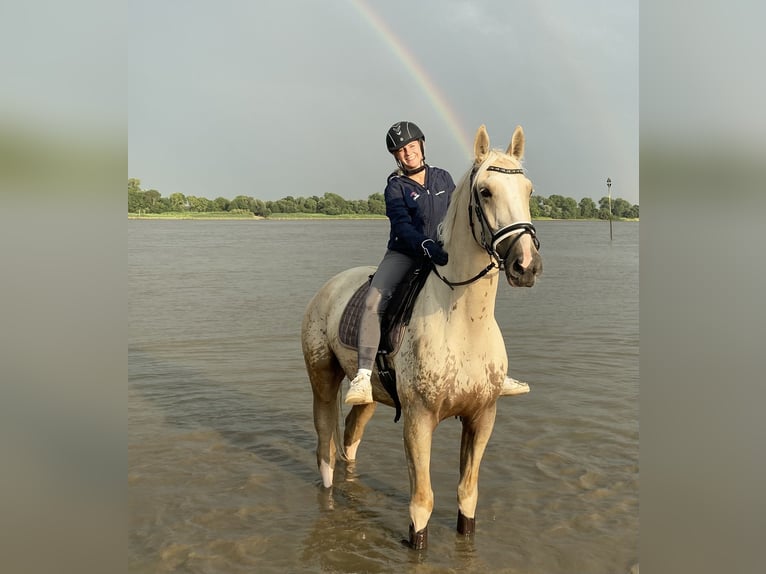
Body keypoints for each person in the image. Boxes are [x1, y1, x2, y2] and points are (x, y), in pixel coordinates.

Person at [344, 121, 530, 405]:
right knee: (373, 301)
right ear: (396, 156)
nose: (408, 153)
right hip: (405, 253)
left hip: (443, 250)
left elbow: (458, 214)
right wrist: (424, 245)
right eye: (401, 150)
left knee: (477, 298)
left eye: (411, 146)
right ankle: (363, 374)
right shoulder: (395, 187)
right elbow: (402, 226)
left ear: (422, 145)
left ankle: (493, 371)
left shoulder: (442, 178)